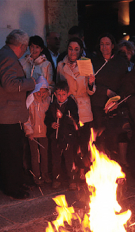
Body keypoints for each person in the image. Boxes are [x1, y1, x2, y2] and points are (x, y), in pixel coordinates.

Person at [0, 29, 36, 200]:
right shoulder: (8, 58)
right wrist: (31, 83)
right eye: (26, 47)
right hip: (7, 115)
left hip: (4, 114)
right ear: (22, 45)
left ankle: (15, 181)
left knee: (11, 151)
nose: (26, 51)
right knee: (11, 153)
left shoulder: (1, 54)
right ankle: (12, 187)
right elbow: (9, 84)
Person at [56, 37, 95, 178]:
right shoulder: (61, 65)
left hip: (84, 107)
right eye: (71, 48)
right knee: (70, 142)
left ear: (81, 50)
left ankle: (83, 172)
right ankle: (70, 171)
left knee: (84, 142)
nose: (73, 52)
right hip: (69, 107)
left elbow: (91, 91)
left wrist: (91, 83)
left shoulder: (85, 64)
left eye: (76, 49)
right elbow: (59, 85)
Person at [90, 33, 128, 161]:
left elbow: (125, 85)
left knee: (114, 137)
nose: (104, 47)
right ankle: (100, 166)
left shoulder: (121, 63)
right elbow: (89, 84)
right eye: (102, 44)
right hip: (97, 105)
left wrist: (117, 100)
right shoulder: (93, 62)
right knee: (99, 136)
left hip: (115, 106)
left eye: (107, 44)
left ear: (112, 46)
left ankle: (116, 168)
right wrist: (104, 91)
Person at [46, 81, 80, 190]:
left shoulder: (71, 104)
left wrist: (63, 117)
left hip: (68, 137)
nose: (61, 97)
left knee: (69, 160)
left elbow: (75, 120)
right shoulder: (52, 104)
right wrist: (51, 124)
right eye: (59, 95)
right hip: (55, 137)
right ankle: (57, 179)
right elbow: (47, 118)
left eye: (63, 94)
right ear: (55, 94)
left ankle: (72, 180)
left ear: (68, 94)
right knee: (56, 160)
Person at [23, 77, 51, 186]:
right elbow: (26, 117)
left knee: (44, 154)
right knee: (35, 155)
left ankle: (45, 174)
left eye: (43, 91)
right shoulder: (30, 100)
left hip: (45, 132)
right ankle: (36, 176)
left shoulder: (48, 100)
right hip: (33, 133)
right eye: (39, 91)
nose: (41, 94)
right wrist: (28, 131)